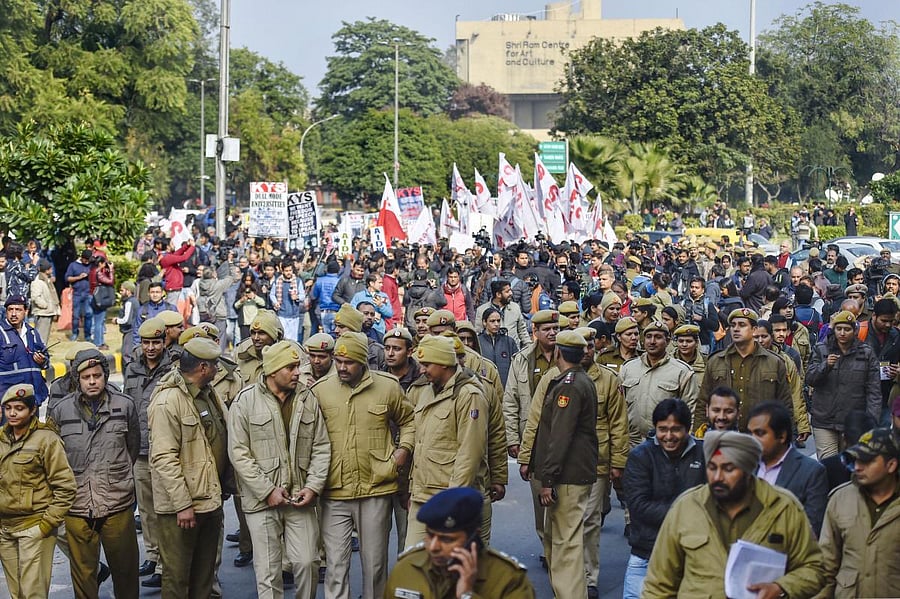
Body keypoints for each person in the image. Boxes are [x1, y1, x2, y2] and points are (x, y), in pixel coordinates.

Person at [643, 430, 825, 598]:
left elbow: (814, 569)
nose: (718, 477)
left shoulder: (783, 507)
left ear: (748, 471)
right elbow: (659, 583)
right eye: (712, 467)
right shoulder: (687, 507)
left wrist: (782, 587)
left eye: (728, 469)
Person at [311, 332, 414, 599]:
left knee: (375, 564)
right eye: (338, 361)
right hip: (334, 491)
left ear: (363, 362)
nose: (342, 367)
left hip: (376, 489)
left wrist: (402, 452)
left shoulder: (388, 386)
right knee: (335, 565)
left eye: (349, 362)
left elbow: (409, 422)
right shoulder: (320, 391)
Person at [228, 340, 331, 599]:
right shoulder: (245, 402)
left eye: (298, 366)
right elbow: (239, 454)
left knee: (308, 561)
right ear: (273, 371)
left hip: (300, 497)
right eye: (291, 367)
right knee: (269, 571)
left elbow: (321, 446)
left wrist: (313, 486)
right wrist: (266, 491)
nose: (298, 372)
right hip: (262, 502)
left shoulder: (307, 399)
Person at [49, 348, 141, 598]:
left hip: (117, 504)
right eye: (86, 376)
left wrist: (117, 478)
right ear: (77, 380)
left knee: (126, 573)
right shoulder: (60, 411)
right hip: (77, 506)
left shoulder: (125, 405)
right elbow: (52, 457)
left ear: (106, 376)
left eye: (97, 375)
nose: (92, 381)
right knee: (83, 575)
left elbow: (132, 448)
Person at [147, 338, 229, 599]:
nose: (219, 369)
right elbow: (164, 458)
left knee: (203, 576)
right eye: (215, 365)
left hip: (209, 500)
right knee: (178, 577)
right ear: (203, 367)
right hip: (182, 509)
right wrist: (183, 505)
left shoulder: (206, 392)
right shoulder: (167, 402)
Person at [529, 330, 597, 599]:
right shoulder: (581, 379)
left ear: (558, 352)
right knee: (564, 542)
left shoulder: (568, 384)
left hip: (567, 476)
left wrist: (547, 480)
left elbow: (559, 437)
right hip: (573, 474)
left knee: (565, 545)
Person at [404, 336, 489, 547]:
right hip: (422, 495)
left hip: (449, 497)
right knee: (413, 563)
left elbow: (469, 454)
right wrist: (413, 489)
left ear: (444, 364)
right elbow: (421, 443)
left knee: (449, 568)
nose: (421, 370)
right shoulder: (425, 391)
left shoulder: (468, 394)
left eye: (426, 365)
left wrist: (453, 501)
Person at [384, 487, 535, 599]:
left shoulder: (508, 579)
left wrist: (467, 595)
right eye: (430, 536)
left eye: (447, 539)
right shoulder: (407, 568)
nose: (434, 547)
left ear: (473, 538)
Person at [622, 399, 706, 598]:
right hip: (646, 553)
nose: (669, 436)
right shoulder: (640, 456)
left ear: (687, 428)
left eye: (676, 429)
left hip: (692, 555)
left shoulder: (704, 455)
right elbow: (638, 505)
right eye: (663, 429)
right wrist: (688, 514)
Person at [0, 384, 76, 599]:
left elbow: (65, 486)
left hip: (34, 527)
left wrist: (46, 525)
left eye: (19, 408)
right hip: (5, 529)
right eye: (8, 408)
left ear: (32, 410)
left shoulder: (46, 439)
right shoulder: (1, 440)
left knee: (33, 593)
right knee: (17, 593)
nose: (13, 413)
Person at [819, 427, 900, 598]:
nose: (857, 467)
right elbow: (826, 563)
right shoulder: (840, 499)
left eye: (867, 461)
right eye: (855, 460)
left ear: (891, 465)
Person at [122, 317, 172, 587]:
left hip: (164, 451)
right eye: (146, 342)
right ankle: (152, 556)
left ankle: (166, 563)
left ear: (164, 342)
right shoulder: (131, 369)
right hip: (139, 450)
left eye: (155, 342)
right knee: (147, 509)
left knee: (165, 509)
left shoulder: (173, 370)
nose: (151, 347)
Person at [696, 308, 791, 432]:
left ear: (754, 330)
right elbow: (703, 401)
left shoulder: (774, 363)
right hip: (724, 436)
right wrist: (698, 435)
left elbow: (785, 404)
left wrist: (786, 438)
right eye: (732, 325)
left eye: (742, 325)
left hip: (762, 436)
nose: (736, 329)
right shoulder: (716, 361)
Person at [806, 310, 881, 459]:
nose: (842, 333)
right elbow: (810, 378)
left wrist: (871, 421)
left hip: (852, 420)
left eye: (847, 329)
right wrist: (825, 366)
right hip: (824, 419)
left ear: (854, 331)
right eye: (839, 329)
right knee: (829, 463)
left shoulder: (866, 353)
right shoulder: (822, 349)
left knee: (850, 464)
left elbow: (873, 390)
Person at [747, 402, 828, 535]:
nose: (753, 440)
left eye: (760, 433)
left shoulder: (811, 472)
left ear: (782, 436)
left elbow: (812, 527)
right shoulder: (746, 466)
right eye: (751, 433)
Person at [618, 320, 697, 446]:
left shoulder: (682, 372)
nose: (652, 341)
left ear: (668, 341)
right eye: (648, 337)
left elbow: (691, 413)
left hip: (666, 443)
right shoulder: (628, 368)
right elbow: (618, 409)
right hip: (631, 443)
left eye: (658, 337)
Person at [0, 295, 49, 406]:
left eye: (18, 310)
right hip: (9, 402)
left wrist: (43, 361)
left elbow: (46, 358)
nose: (13, 314)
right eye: (10, 309)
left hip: (33, 398)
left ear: (26, 311)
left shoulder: (32, 333)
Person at [477, 307, 517, 387]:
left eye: (498, 321)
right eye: (492, 321)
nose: (496, 324)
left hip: (506, 387)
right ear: (484, 322)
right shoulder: (478, 341)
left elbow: (516, 366)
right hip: (484, 387)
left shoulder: (509, 341)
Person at [65, 249, 95, 342]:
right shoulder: (73, 265)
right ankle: (75, 333)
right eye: (85, 260)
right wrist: (79, 277)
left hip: (88, 294)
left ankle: (87, 335)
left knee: (88, 314)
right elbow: (68, 278)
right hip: (77, 294)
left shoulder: (91, 265)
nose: (87, 262)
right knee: (76, 315)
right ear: (81, 258)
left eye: (88, 260)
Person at [351, 273, 393, 337]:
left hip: (379, 331)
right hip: (361, 331)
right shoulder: (359, 296)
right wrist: (366, 314)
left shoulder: (383, 296)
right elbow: (352, 311)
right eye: (379, 283)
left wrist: (381, 306)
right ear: (371, 283)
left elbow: (390, 314)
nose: (382, 285)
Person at [30, 259, 60, 344]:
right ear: (46, 270)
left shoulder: (47, 280)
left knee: (45, 335)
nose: (52, 270)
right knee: (41, 334)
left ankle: (43, 351)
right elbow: (35, 297)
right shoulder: (38, 281)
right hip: (42, 312)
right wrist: (45, 305)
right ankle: (39, 352)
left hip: (48, 311)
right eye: (50, 269)